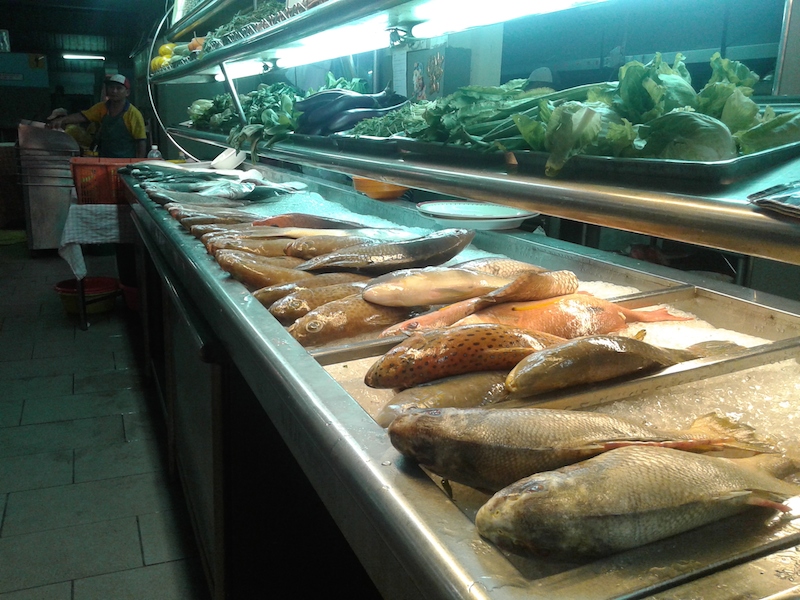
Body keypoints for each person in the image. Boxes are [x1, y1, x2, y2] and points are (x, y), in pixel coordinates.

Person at [47, 74, 147, 158]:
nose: (114, 91)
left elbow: (141, 141)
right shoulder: (101, 108)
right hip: (104, 159)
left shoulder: (133, 114)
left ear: (127, 92)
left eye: (119, 88)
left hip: (126, 162)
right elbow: (83, 116)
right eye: (111, 87)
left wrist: (137, 165)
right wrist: (62, 120)